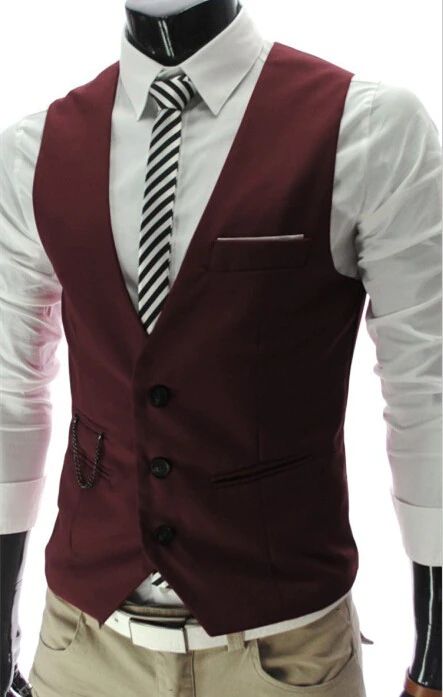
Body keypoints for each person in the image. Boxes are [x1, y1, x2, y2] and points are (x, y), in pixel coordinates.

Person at [0, 1, 441, 695]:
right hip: (79, 647)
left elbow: (426, 391)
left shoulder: (368, 127)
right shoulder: (34, 147)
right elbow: (11, 393)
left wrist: (437, 655)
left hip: (283, 654)